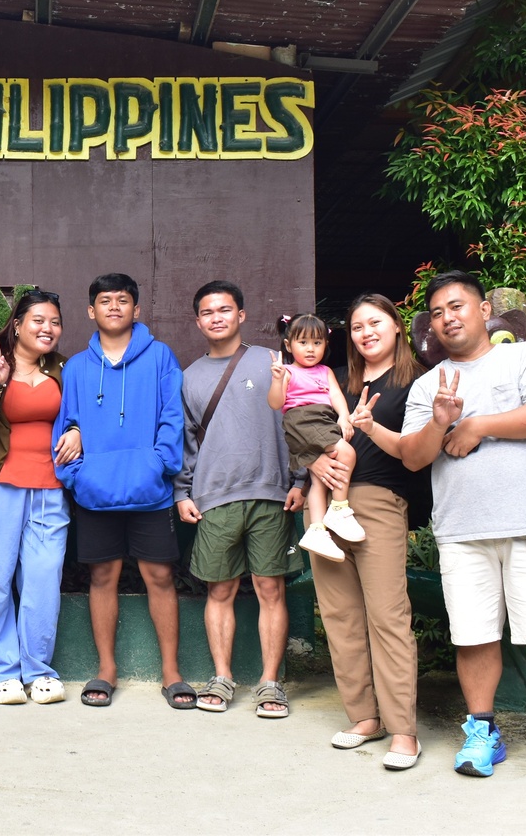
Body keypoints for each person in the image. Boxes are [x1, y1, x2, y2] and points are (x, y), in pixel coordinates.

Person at [399, 270, 526, 790]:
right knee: (473, 637)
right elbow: (416, 458)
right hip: (461, 531)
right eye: (438, 313)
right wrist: (442, 420)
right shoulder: (428, 384)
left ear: (484, 310)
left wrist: (477, 424)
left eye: (457, 306)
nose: (448, 318)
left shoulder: (524, 358)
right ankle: (482, 731)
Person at [54, 273, 193, 710]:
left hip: (150, 491)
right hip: (96, 493)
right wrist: (79, 477)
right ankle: (106, 669)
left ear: (137, 309)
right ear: (90, 311)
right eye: (104, 301)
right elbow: (66, 426)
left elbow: (174, 418)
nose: (114, 307)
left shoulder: (161, 357)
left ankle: (171, 672)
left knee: (160, 577)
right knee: (103, 577)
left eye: (123, 300)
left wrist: (161, 467)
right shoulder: (76, 367)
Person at [174, 281, 304, 717]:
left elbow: (299, 418)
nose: (216, 317)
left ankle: (270, 683)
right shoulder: (189, 377)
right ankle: (222, 676)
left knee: (271, 588)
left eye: (224, 310)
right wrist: (182, 493)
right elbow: (187, 442)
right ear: (198, 321)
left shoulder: (271, 362)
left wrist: (301, 479)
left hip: (271, 492)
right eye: (207, 311)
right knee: (221, 589)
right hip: (213, 496)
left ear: (241, 315)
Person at [0, 290, 81, 704]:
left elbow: (83, 415)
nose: (48, 329)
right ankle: (1, 671)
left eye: (55, 322)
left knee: (43, 579)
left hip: (50, 488)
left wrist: (78, 432)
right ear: (18, 324)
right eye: (38, 320)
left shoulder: (65, 368)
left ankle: (39, 670)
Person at [310, 293, 424, 769]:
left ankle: (403, 730)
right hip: (326, 501)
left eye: (375, 322)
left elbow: (417, 454)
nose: (366, 332)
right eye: (357, 326)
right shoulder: (338, 382)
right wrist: (314, 463)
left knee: (387, 616)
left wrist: (372, 428)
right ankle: (363, 717)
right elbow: (305, 430)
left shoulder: (417, 382)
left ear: (397, 326)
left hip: (378, 502)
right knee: (339, 616)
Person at [266, 313, 362, 563]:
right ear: (288, 346)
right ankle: (339, 509)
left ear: (326, 345)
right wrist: (277, 380)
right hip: (303, 420)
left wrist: (343, 416)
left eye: (317, 343)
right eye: (303, 342)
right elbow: (275, 403)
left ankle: (317, 530)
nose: (311, 349)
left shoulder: (325, 371)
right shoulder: (287, 371)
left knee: (319, 478)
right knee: (347, 454)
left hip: (323, 419)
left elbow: (336, 396)